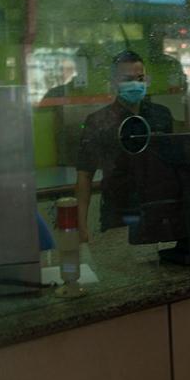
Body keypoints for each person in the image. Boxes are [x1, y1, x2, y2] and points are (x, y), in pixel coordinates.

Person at [75, 50, 173, 241]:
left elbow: (172, 164)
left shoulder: (161, 115)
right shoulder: (99, 121)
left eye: (140, 78)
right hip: (118, 213)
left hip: (158, 210)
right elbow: (85, 175)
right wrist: (82, 227)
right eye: (127, 79)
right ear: (114, 83)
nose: (135, 84)